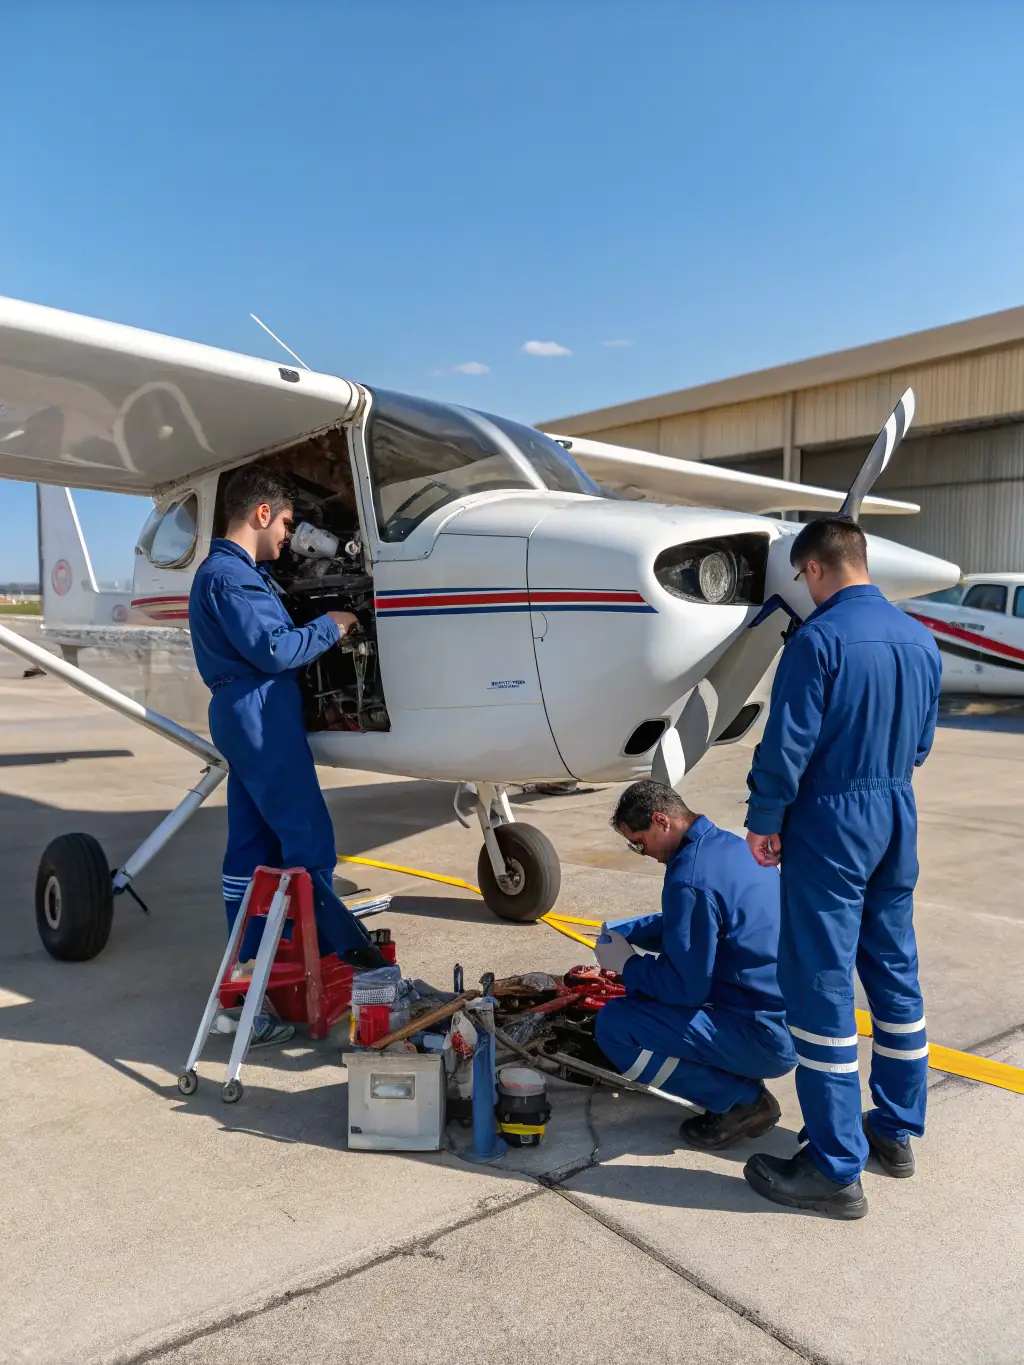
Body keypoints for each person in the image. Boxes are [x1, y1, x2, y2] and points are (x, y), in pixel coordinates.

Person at [743, 517, 941, 1220]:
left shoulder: (818, 640)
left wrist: (765, 817)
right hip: (895, 813)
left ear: (815, 570)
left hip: (833, 821)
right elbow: (920, 745)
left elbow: (786, 743)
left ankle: (833, 1165)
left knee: (820, 985)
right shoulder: (922, 639)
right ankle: (893, 1130)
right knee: (894, 972)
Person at [189, 467, 385, 1047]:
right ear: (263, 514)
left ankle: (243, 989)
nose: (289, 539)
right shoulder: (231, 576)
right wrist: (334, 623)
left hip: (247, 712)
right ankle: (350, 962)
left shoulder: (231, 574)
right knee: (308, 843)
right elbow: (274, 650)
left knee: (251, 852)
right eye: (288, 524)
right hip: (258, 713)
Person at [594, 780, 796, 1150]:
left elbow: (683, 989)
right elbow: (697, 920)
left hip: (761, 1036)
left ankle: (738, 1101)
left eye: (640, 842)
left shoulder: (688, 877)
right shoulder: (732, 847)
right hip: (792, 1017)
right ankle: (735, 1080)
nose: (642, 852)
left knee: (616, 1025)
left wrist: (628, 966)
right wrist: (629, 930)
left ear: (661, 821)